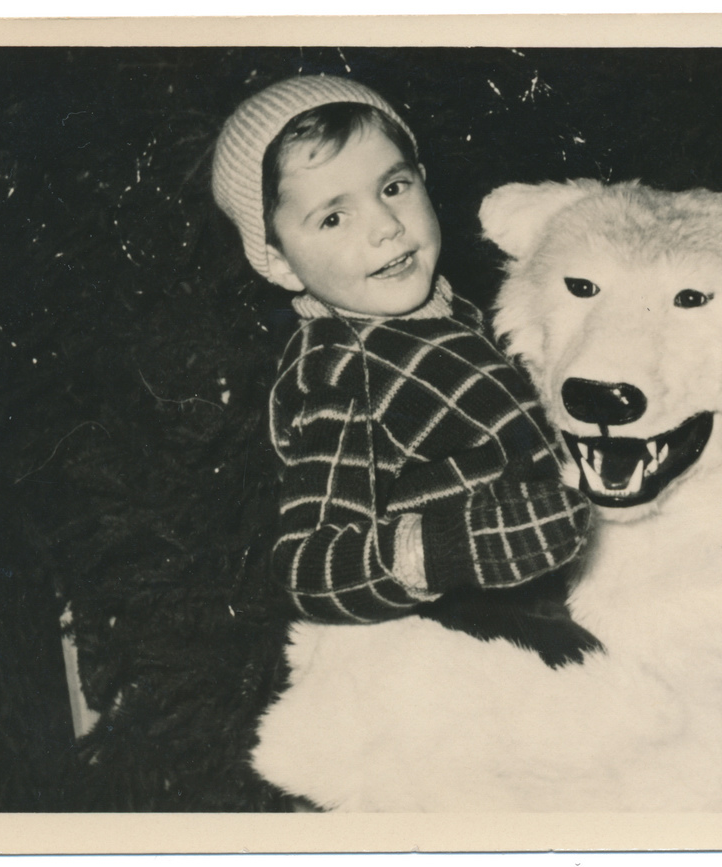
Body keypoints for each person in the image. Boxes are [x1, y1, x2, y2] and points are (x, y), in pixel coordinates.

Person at [211, 75, 596, 660]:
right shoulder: (342, 374)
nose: (386, 226)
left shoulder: (445, 309)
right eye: (333, 219)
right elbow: (306, 566)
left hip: (569, 587)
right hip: (479, 642)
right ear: (281, 264)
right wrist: (448, 549)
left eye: (393, 186)